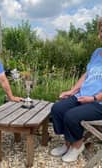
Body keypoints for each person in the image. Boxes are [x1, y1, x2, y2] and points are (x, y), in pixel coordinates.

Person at [50, 17, 102, 162]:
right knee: (58, 109)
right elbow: (86, 75)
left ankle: (78, 145)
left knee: (71, 116)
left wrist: (93, 98)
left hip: (98, 103)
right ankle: (67, 144)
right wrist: (72, 91)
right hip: (82, 95)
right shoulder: (97, 52)